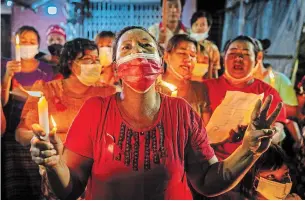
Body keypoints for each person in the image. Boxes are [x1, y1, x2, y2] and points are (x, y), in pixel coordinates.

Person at [30, 26, 282, 200]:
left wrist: (248, 150)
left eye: (145, 45)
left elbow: (207, 180)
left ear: (161, 63)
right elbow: (70, 189)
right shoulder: (95, 111)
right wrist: (54, 164)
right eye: (127, 48)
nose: (137, 52)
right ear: (116, 69)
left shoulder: (181, 112)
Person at [16, 38, 116, 199]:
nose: (94, 64)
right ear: (70, 63)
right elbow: (21, 134)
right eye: (86, 60)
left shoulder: (108, 93)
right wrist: (44, 138)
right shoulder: (46, 91)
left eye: (96, 60)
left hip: (98, 170)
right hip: (59, 165)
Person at [203, 35, 287, 161]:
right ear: (223, 56)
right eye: (233, 53)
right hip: (208, 161)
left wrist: (267, 134)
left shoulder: (268, 93)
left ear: (257, 59)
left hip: (249, 164)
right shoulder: (204, 88)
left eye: (245, 54)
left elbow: (278, 130)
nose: (238, 58)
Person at [1, 25, 54, 199]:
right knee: (16, 184)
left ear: (38, 45)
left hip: (36, 130)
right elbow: (2, 101)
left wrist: (26, 96)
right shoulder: (5, 65)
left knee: (38, 180)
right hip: (10, 130)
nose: (27, 44)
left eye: (32, 41)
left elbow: (51, 98)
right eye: (23, 41)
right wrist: (8, 76)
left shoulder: (47, 69)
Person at [156, 34, 211, 125]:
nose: (188, 59)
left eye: (193, 55)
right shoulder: (153, 88)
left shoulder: (199, 89)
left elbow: (206, 129)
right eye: (182, 53)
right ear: (166, 56)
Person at [189, 10, 220, 80]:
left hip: (206, 86)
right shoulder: (185, 46)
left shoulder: (213, 48)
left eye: (202, 24)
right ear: (191, 27)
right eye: (196, 24)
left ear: (208, 27)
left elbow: (215, 72)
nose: (199, 27)